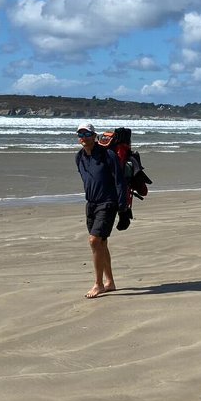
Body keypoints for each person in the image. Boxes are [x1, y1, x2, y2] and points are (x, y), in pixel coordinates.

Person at [75, 123, 130, 298]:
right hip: (91, 204)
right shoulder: (79, 157)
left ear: (94, 135)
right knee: (101, 243)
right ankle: (110, 282)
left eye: (86, 133)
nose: (83, 137)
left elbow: (119, 182)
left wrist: (123, 210)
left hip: (108, 203)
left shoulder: (108, 155)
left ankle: (98, 284)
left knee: (93, 241)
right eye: (80, 134)